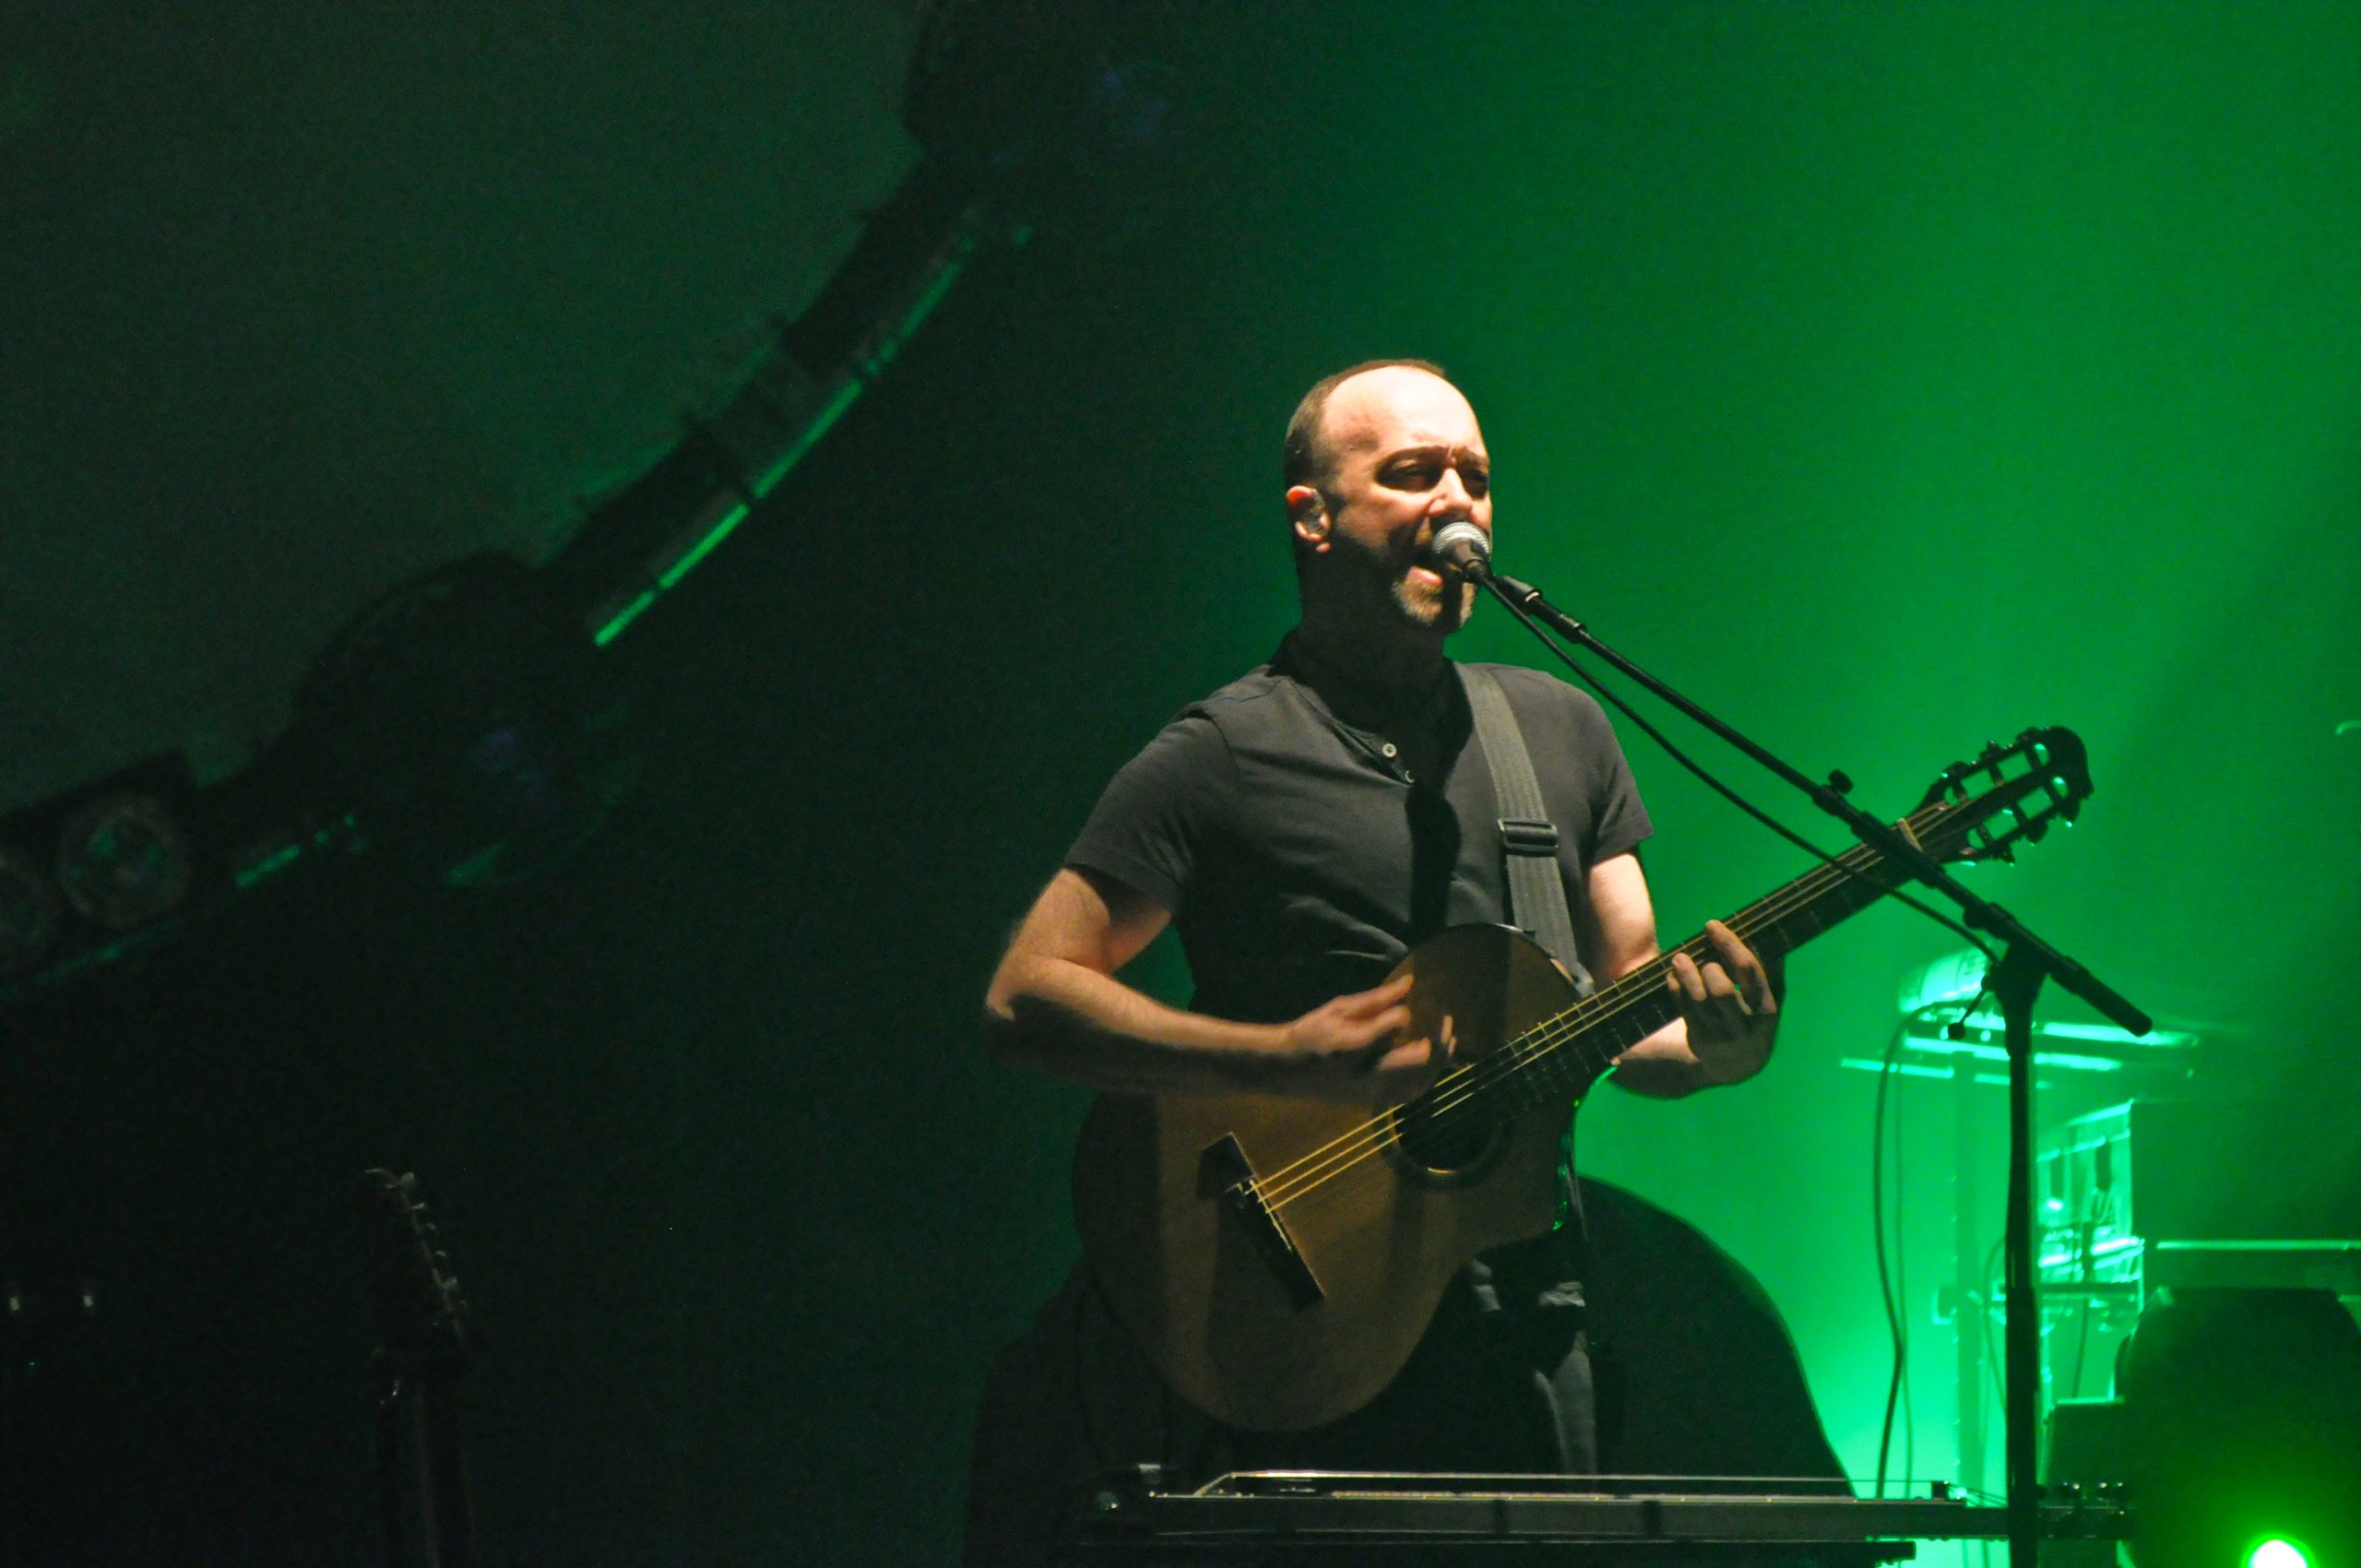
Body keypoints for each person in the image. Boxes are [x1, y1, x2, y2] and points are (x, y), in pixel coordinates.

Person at [967, 361, 1798, 1562]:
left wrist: (1723, 1046)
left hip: (1526, 1306)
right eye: (1413, 474)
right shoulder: (1225, 751)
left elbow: (1633, 1018)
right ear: (1311, 515)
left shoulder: (1559, 732)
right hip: (1300, 1306)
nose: (1457, 501)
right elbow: (1024, 994)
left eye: (1475, 475)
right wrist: (1282, 1054)